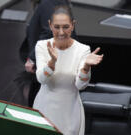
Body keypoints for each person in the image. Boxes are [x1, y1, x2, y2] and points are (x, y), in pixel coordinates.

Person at [33, 5, 103, 135]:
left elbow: (80, 85)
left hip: (70, 112)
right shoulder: (42, 46)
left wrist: (86, 67)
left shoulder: (83, 49)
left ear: (73, 25)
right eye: (57, 27)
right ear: (50, 25)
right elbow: (42, 79)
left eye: (65, 27)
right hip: (45, 108)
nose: (61, 32)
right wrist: (52, 63)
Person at [19, 0, 74, 107]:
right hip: (52, 68)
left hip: (51, 69)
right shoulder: (54, 3)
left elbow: (52, 32)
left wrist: (32, 58)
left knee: (41, 109)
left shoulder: (48, 3)